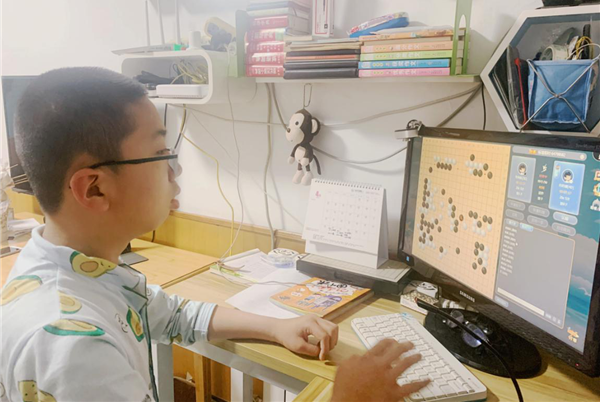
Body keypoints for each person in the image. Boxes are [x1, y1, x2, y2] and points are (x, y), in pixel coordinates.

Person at [0, 67, 427, 402]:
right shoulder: (74, 349)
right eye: (159, 153)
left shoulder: (81, 268)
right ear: (94, 188)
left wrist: (277, 327)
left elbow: (173, 315)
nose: (176, 169)